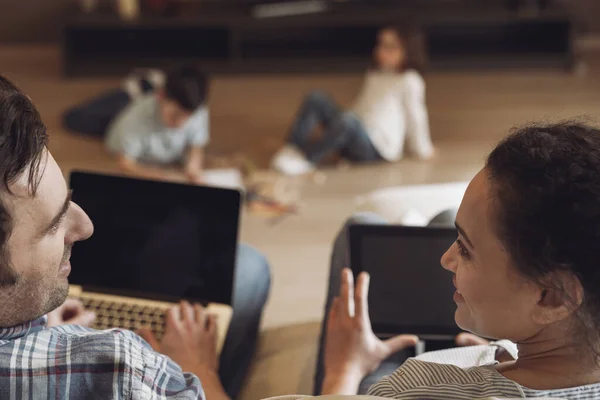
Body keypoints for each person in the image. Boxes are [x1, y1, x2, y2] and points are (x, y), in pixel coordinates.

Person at [0, 75, 270, 400]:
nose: (86, 228)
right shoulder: (124, 371)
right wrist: (200, 370)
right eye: (54, 225)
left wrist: (40, 332)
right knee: (252, 269)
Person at [305, 121, 600, 398]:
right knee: (445, 219)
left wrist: (343, 372)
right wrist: (504, 350)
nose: (446, 259)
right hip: (501, 349)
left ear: (551, 298)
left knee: (359, 223)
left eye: (465, 249)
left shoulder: (410, 388)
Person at [271, 27, 435, 176]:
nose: (381, 51)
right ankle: (292, 149)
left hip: (376, 149)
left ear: (407, 51)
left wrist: (423, 149)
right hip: (356, 133)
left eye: (390, 47)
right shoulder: (375, 75)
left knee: (348, 120)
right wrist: (341, 123)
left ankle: (307, 160)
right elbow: (362, 107)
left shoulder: (410, 80)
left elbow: (416, 116)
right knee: (317, 98)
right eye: (380, 45)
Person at [65, 65, 210, 183]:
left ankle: (146, 84)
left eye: (187, 117)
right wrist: (161, 176)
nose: (180, 123)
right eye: (175, 116)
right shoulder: (135, 120)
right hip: (117, 125)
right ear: (161, 96)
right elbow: (125, 164)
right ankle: (134, 88)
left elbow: (196, 144)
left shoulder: (197, 110)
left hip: (149, 131)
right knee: (73, 119)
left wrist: (193, 167)